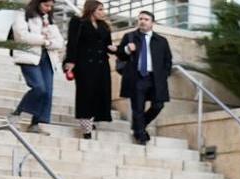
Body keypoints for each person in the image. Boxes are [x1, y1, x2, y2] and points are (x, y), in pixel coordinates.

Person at [116, 11, 172, 144]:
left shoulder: (162, 41)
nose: (142, 21)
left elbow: (167, 60)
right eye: (140, 19)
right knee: (138, 107)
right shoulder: (129, 36)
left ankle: (138, 126)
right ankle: (140, 135)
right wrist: (127, 50)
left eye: (146, 19)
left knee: (158, 105)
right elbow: (120, 55)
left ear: (152, 22)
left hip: (155, 78)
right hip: (137, 77)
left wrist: (164, 74)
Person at [63, 0, 116, 140]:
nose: (103, 12)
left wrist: (114, 49)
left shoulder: (104, 26)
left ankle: (90, 120)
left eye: (103, 9)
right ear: (91, 10)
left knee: (99, 93)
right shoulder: (78, 22)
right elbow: (72, 42)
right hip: (84, 65)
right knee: (85, 94)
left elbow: (107, 45)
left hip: (101, 65)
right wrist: (70, 61)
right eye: (100, 9)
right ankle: (86, 127)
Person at [10, 0, 64, 134]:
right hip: (29, 56)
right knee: (38, 87)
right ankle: (16, 114)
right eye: (46, 5)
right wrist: (44, 40)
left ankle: (36, 123)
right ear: (38, 3)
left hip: (48, 58)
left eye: (51, 6)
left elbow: (60, 42)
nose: (49, 8)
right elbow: (21, 36)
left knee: (47, 92)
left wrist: (48, 40)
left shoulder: (49, 21)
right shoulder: (23, 15)